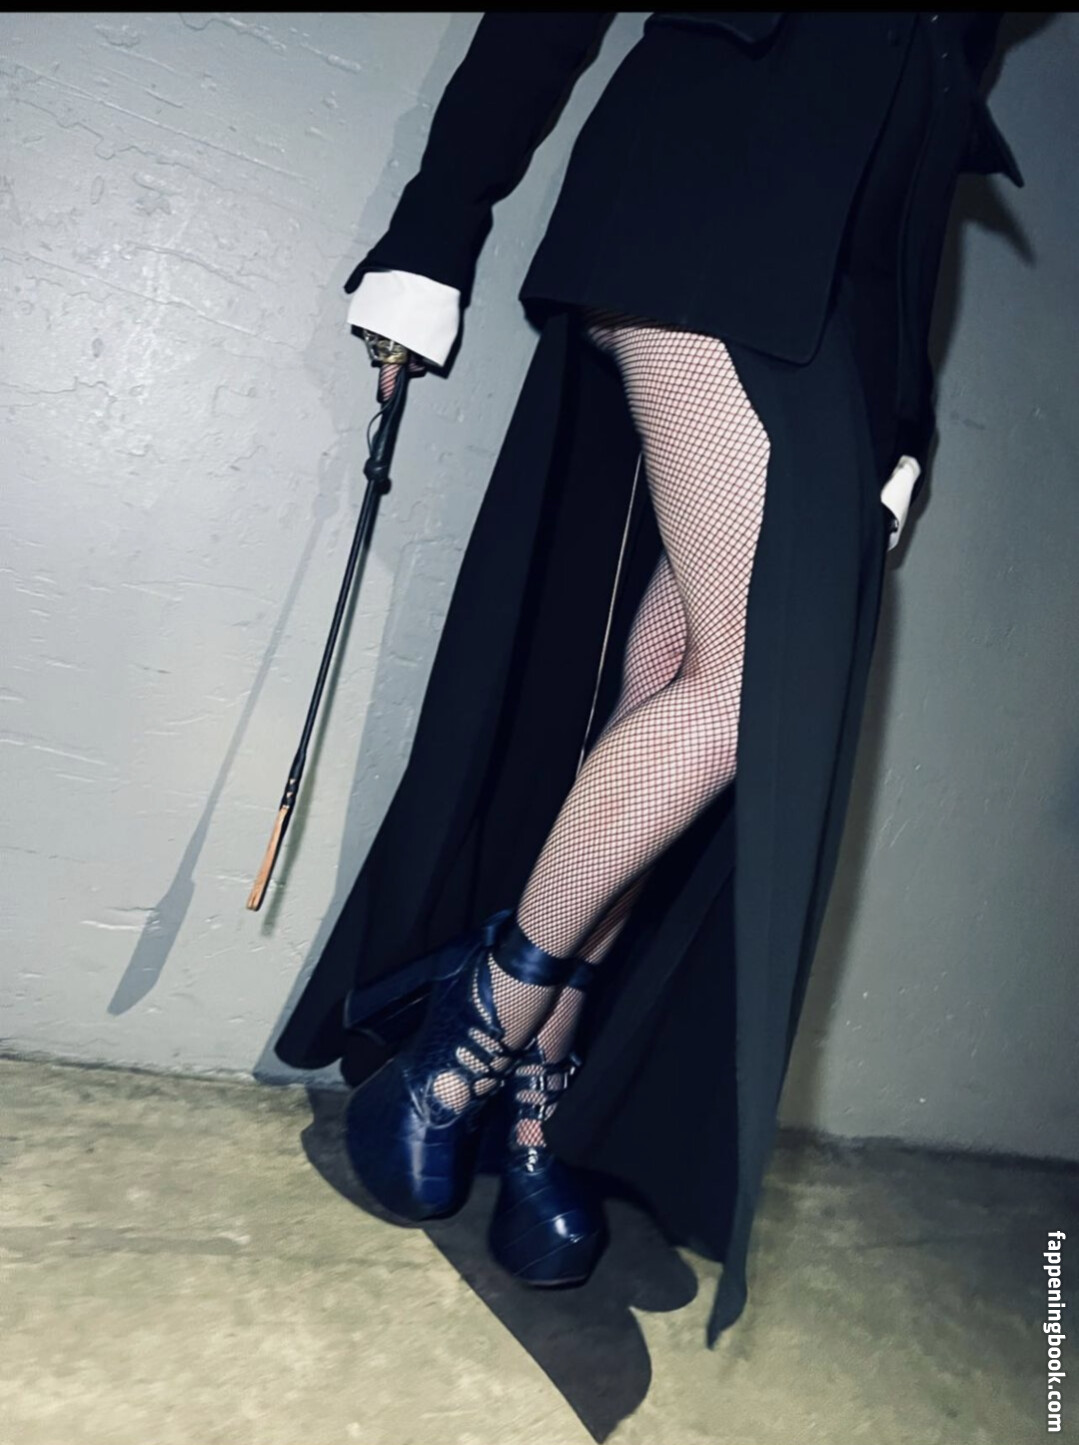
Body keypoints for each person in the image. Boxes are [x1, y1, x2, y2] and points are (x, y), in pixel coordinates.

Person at [274, 12, 1024, 1346]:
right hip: (710, 186)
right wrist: (438, 225)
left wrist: (907, 413)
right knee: (744, 696)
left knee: (675, 681)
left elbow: (937, 107)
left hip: (851, 291)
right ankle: (474, 1033)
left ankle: (534, 1087)